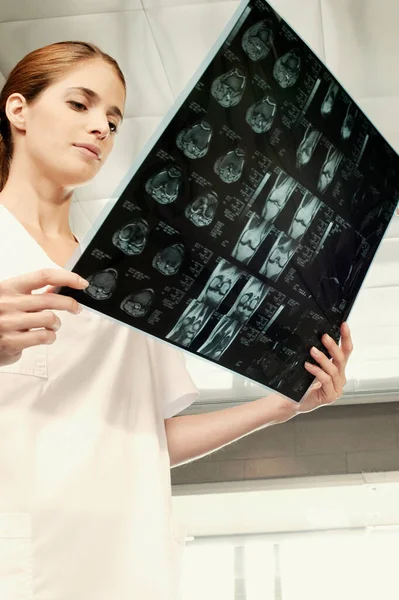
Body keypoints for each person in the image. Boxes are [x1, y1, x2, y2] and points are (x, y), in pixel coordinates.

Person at [0, 41, 354, 600]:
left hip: (128, 565)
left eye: (113, 120)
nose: (101, 129)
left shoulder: (126, 267)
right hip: (23, 562)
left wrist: (282, 405)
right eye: (80, 105)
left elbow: (149, 437)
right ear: (18, 110)